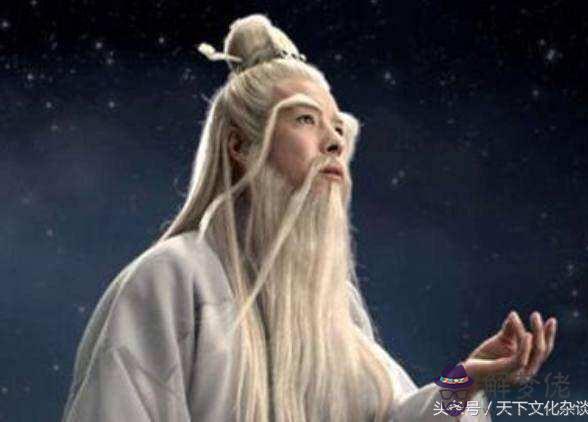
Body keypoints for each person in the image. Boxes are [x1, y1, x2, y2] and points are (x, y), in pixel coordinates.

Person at [60, 14, 558, 422]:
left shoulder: (330, 309)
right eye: (305, 119)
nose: (334, 142)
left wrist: (465, 382)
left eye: (338, 128)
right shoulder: (171, 280)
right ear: (240, 146)